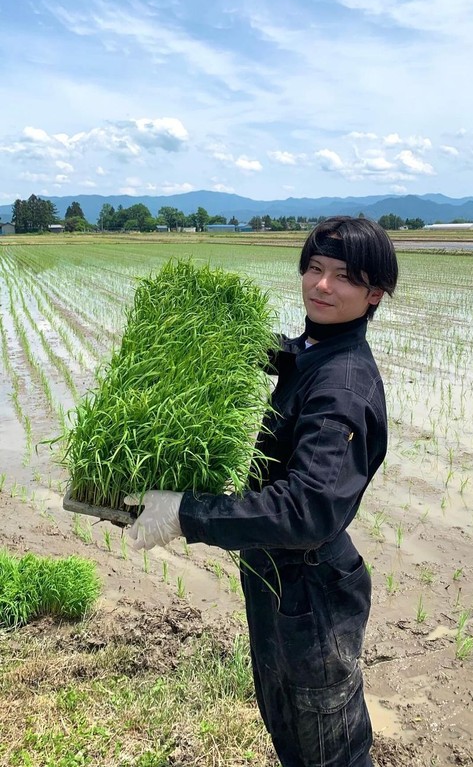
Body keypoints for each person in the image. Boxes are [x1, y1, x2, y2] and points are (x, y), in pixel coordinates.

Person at [125, 215, 399, 767]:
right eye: (314, 268)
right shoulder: (315, 352)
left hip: (314, 589)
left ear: (374, 295)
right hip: (278, 574)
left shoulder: (342, 386)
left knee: (329, 747)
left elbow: (308, 507)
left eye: (344, 277)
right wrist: (213, 334)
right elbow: (288, 354)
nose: (322, 285)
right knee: (289, 724)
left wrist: (186, 514)